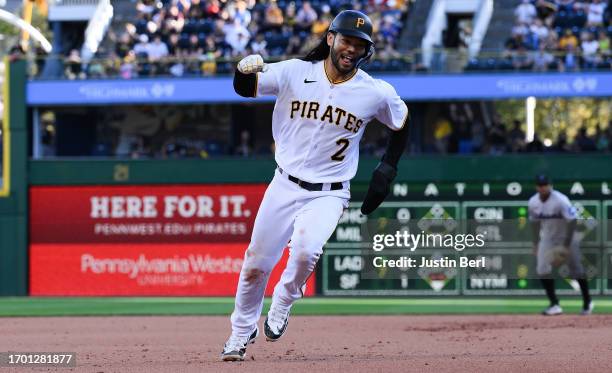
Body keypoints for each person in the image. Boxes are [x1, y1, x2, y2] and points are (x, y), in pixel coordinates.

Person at [221, 10, 409, 361]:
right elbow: (246, 88)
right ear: (330, 39)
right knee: (254, 265)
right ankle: (239, 332)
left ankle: (285, 297)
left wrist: (388, 167)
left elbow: (401, 122)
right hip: (284, 184)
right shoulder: (295, 71)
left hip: (330, 190)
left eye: (359, 44)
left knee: (307, 251)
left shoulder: (374, 92)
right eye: (346, 40)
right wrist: (241, 71)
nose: (351, 49)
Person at [528, 174, 593, 316]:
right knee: (542, 269)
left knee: (576, 270)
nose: (543, 187)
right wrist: (535, 243)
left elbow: (572, 221)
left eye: (546, 184)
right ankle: (554, 304)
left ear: (550, 185)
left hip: (568, 237)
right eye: (541, 185)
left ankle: (587, 302)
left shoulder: (561, 200)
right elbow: (534, 223)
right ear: (536, 187)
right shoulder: (533, 202)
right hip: (548, 238)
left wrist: (565, 246)